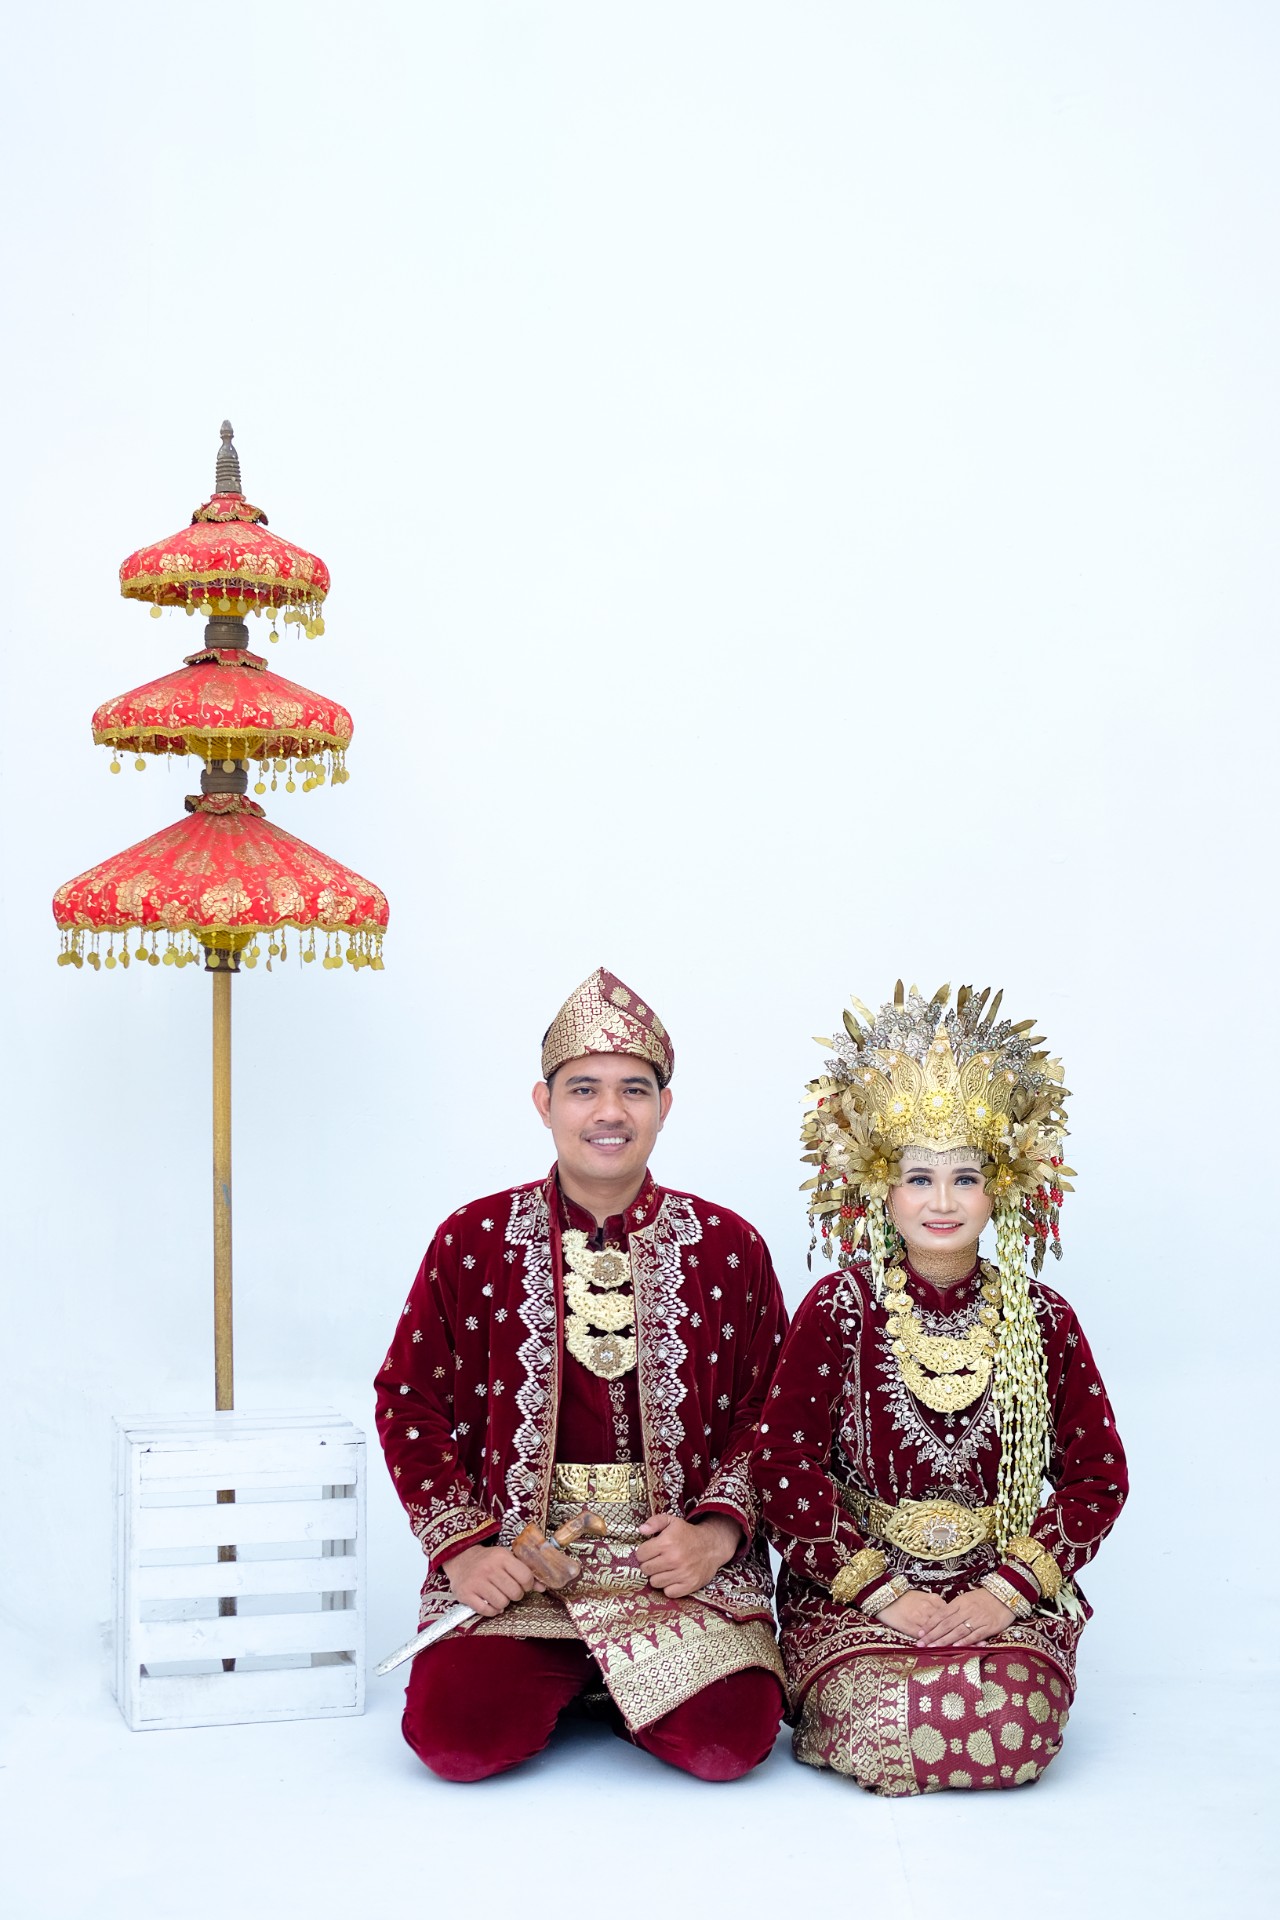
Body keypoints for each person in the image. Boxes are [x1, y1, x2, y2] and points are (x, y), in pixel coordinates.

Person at [376, 967, 788, 1781]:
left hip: (671, 1567)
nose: (609, 1112)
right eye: (583, 1090)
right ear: (544, 1102)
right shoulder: (473, 1237)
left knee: (728, 1741)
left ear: (665, 1107)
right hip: (521, 1559)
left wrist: (715, 1537)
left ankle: (606, 1684)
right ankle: (590, 1678)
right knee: (458, 1740)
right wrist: (465, 1551)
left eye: (634, 1090)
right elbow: (408, 1399)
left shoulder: (728, 1245)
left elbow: (773, 1412)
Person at [752, 980, 1126, 1795]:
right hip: (857, 1593)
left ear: (1006, 1188)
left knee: (1012, 1722)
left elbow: (1098, 1477)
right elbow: (780, 1466)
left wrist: (1007, 1593)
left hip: (998, 1588)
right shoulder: (839, 1308)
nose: (944, 1202)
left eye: (967, 1177)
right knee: (890, 1709)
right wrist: (879, 1593)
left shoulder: (1042, 1319)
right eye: (919, 1177)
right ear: (878, 1188)